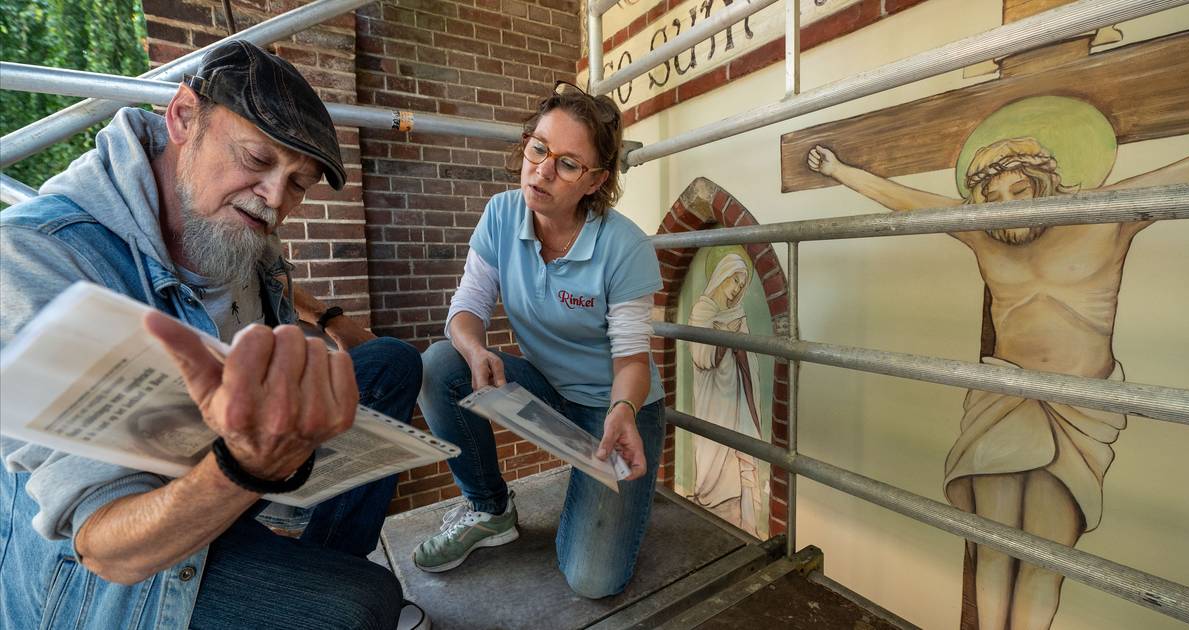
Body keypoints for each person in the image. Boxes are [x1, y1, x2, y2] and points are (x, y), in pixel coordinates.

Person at [1, 41, 428, 630]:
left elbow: (264, 270)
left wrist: (331, 321)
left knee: (390, 362)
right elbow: (103, 548)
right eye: (257, 158)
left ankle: (308, 564)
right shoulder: (37, 255)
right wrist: (249, 468)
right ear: (181, 118)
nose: (276, 198)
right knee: (362, 602)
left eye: (298, 184)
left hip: (222, 479)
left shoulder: (230, 221)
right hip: (109, 572)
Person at [807, 139, 1189, 630]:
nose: (1007, 204)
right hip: (1003, 399)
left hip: (1079, 409)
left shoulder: (1106, 216)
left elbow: (1185, 171)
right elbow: (911, 202)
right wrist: (843, 172)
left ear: (1046, 186)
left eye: (1019, 189)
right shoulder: (982, 234)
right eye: (993, 198)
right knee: (992, 546)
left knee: (1046, 559)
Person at [412, 82, 666, 598]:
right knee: (441, 364)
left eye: (568, 164)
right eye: (539, 149)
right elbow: (466, 309)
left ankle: (601, 492)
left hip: (614, 409)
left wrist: (622, 410)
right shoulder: (501, 215)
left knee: (592, 580)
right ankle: (489, 508)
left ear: (595, 181)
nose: (543, 170)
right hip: (546, 388)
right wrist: (475, 349)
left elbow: (634, 361)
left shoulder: (625, 247)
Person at [687, 252, 767, 538]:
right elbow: (702, 356)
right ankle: (709, 503)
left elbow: (751, 363)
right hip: (713, 400)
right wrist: (725, 338)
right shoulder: (703, 310)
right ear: (721, 275)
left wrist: (736, 339)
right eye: (734, 280)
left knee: (737, 456)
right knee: (712, 457)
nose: (736, 288)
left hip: (737, 400)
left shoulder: (738, 314)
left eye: (741, 283)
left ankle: (742, 521)